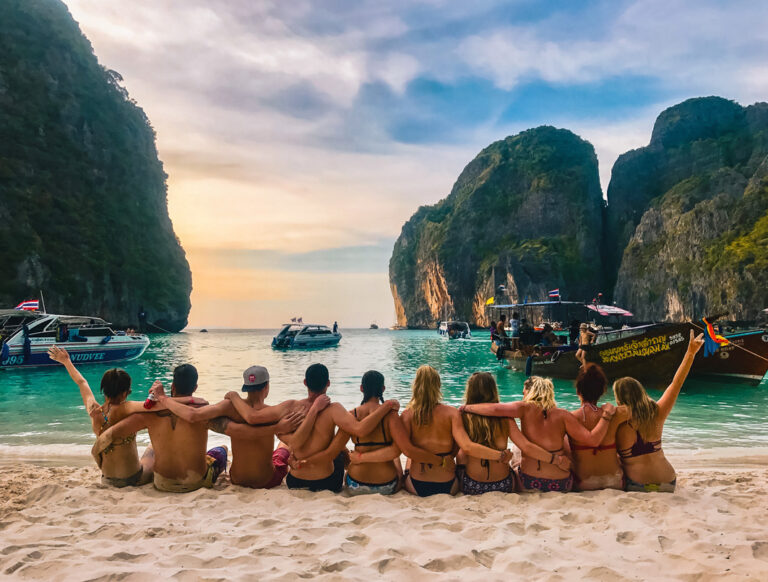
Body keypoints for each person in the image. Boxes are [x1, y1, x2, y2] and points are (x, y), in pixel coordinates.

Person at [47, 346, 204, 487]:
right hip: (133, 478)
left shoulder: (94, 411)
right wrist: (190, 399)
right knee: (152, 449)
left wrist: (66, 362)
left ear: (104, 389)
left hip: (106, 479)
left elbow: (82, 382)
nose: (128, 395)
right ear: (124, 393)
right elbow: (162, 404)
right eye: (128, 392)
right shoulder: (125, 408)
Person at [92, 364, 264, 493]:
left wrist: (101, 421)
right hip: (194, 482)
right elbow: (236, 431)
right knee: (222, 449)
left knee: (152, 448)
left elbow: (111, 434)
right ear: (195, 388)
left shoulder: (148, 414)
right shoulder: (202, 411)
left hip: (161, 483)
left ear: (172, 387)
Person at [156, 365, 322, 489]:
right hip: (266, 481)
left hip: (237, 479)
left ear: (246, 388)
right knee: (282, 448)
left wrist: (164, 399)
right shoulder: (273, 412)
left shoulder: (229, 407)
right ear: (267, 387)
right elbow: (295, 440)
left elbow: (193, 415)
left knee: (225, 448)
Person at [461, 376, 616, 492]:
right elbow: (593, 440)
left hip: (528, 482)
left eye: (524, 393)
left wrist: (466, 408)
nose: (523, 396)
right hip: (561, 484)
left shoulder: (524, 408)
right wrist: (606, 416)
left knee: (516, 453)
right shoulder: (563, 415)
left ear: (530, 392)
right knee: (563, 442)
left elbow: (495, 409)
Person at [271, 364, 401, 493]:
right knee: (338, 450)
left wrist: (281, 433)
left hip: (295, 481)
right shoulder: (335, 410)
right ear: (328, 383)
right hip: (327, 482)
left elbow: (271, 426)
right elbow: (359, 430)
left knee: (291, 444)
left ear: (305, 382)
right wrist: (387, 405)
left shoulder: (291, 406)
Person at [400, 365, 514, 497]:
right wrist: (501, 455)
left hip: (417, 483)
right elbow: (459, 446)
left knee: (411, 456)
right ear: (438, 385)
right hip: (448, 485)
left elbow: (406, 450)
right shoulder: (452, 413)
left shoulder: (406, 415)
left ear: (415, 385)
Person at [613, 330, 704, 492]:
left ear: (618, 398)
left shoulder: (616, 422)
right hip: (668, 483)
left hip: (638, 486)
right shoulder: (657, 413)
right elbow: (676, 384)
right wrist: (690, 353)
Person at [458, 372, 571, 494]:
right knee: (517, 448)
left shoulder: (462, 417)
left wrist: (465, 408)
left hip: (471, 485)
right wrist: (557, 460)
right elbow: (526, 446)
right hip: (503, 485)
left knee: (461, 453)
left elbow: (464, 450)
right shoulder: (506, 418)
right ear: (493, 390)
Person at [568, 355, 627, 490]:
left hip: (583, 483)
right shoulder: (616, 414)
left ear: (578, 391)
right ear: (602, 392)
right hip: (616, 482)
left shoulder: (571, 418)